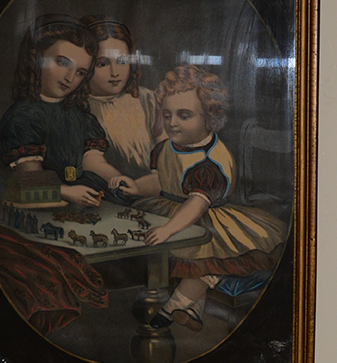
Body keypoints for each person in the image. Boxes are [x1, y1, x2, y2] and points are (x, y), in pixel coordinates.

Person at [118, 65, 287, 333]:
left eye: (184, 116)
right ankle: (193, 311)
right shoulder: (165, 147)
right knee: (180, 261)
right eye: (167, 114)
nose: (172, 123)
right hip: (170, 208)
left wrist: (168, 229)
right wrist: (137, 187)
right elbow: (161, 181)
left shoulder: (210, 160)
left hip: (203, 215)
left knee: (205, 260)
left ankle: (172, 308)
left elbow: (196, 203)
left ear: (210, 117)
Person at [0, 14, 126, 207]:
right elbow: (29, 176)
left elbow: (94, 163)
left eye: (80, 72)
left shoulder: (81, 116)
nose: (70, 77)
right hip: (42, 198)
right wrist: (67, 192)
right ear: (36, 58)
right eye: (63, 63)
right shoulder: (23, 117)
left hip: (83, 193)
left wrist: (118, 179)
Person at [80, 15, 165, 184]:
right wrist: (119, 181)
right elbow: (91, 161)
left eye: (122, 61)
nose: (115, 72)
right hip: (114, 189)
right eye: (103, 64)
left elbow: (165, 145)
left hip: (158, 183)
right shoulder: (81, 109)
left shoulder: (146, 99)